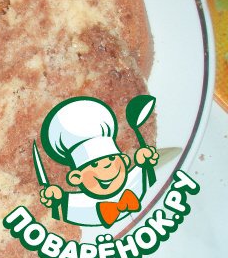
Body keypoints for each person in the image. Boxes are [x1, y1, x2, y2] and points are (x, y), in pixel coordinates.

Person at [39, 97, 159, 228]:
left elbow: (145, 174)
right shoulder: (82, 205)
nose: (106, 168)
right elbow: (62, 206)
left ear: (124, 160)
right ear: (76, 178)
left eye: (112, 159)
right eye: (95, 164)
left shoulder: (133, 182)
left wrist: (145, 161)